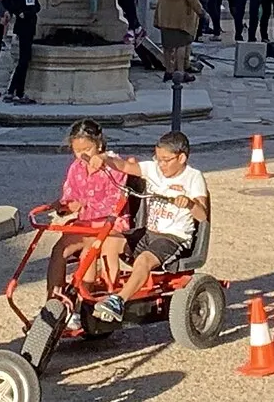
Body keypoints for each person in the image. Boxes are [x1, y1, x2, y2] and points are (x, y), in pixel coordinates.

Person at [91, 130, 211, 325]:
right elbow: (124, 166)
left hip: (173, 237)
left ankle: (118, 301)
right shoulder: (152, 169)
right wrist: (103, 158)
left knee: (144, 260)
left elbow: (202, 214)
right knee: (109, 239)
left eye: (166, 160)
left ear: (181, 157)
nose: (160, 164)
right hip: (148, 232)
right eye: (158, 158)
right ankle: (108, 289)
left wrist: (189, 204)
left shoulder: (193, 177)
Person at [48, 119, 134, 301]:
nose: (81, 156)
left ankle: (85, 300)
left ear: (99, 144)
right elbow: (70, 195)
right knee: (59, 249)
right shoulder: (76, 168)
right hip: (85, 224)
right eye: (77, 151)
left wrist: (84, 204)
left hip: (110, 225)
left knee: (90, 253)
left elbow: (115, 201)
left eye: (87, 150)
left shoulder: (114, 166)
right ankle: (53, 300)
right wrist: (63, 206)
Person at [151, 0, 203, 81]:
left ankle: (168, 70)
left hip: (164, 16)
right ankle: (180, 71)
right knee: (181, 45)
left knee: (167, 45)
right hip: (181, 17)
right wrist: (201, 12)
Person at [5, 0, 43, 103]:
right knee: (23, 60)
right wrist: (20, 12)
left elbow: (36, 6)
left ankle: (13, 90)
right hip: (23, 27)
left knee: (25, 60)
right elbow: (11, 3)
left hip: (31, 25)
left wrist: (29, 11)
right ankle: (17, 91)